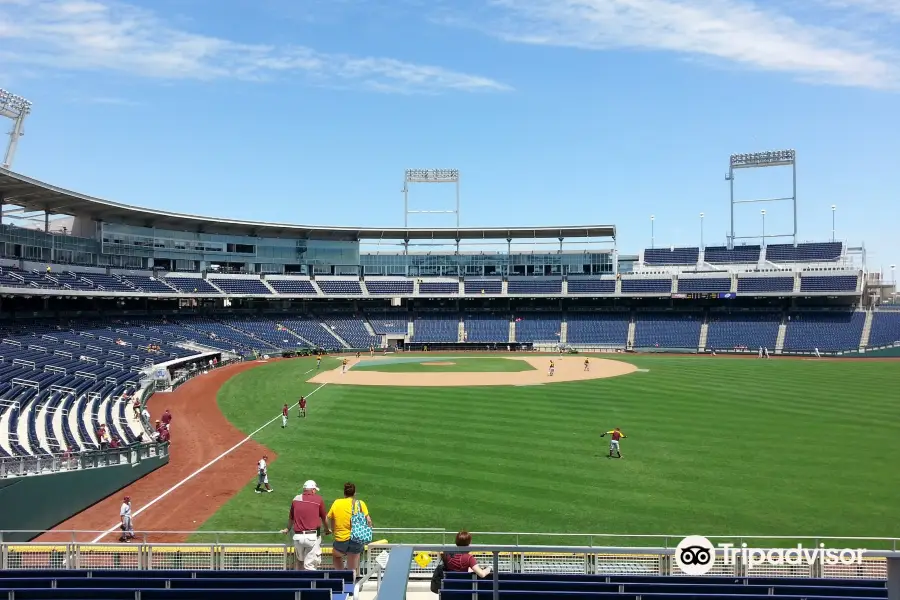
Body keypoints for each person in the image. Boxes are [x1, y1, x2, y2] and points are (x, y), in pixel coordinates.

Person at [280, 480, 331, 570]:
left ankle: (299, 582)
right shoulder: (318, 499)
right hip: (312, 537)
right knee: (310, 566)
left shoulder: (296, 499)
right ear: (312, 490)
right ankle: (311, 584)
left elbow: (291, 518)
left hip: (298, 537)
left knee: (300, 562)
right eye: (315, 489)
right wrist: (327, 529)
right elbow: (324, 518)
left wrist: (287, 529)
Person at [327, 482, 372, 577]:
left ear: (344, 493)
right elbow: (368, 521)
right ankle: (351, 585)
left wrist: (330, 529)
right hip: (356, 538)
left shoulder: (337, 502)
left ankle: (340, 577)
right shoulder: (360, 504)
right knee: (352, 568)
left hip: (341, 539)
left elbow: (328, 518)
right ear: (354, 493)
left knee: (336, 555)